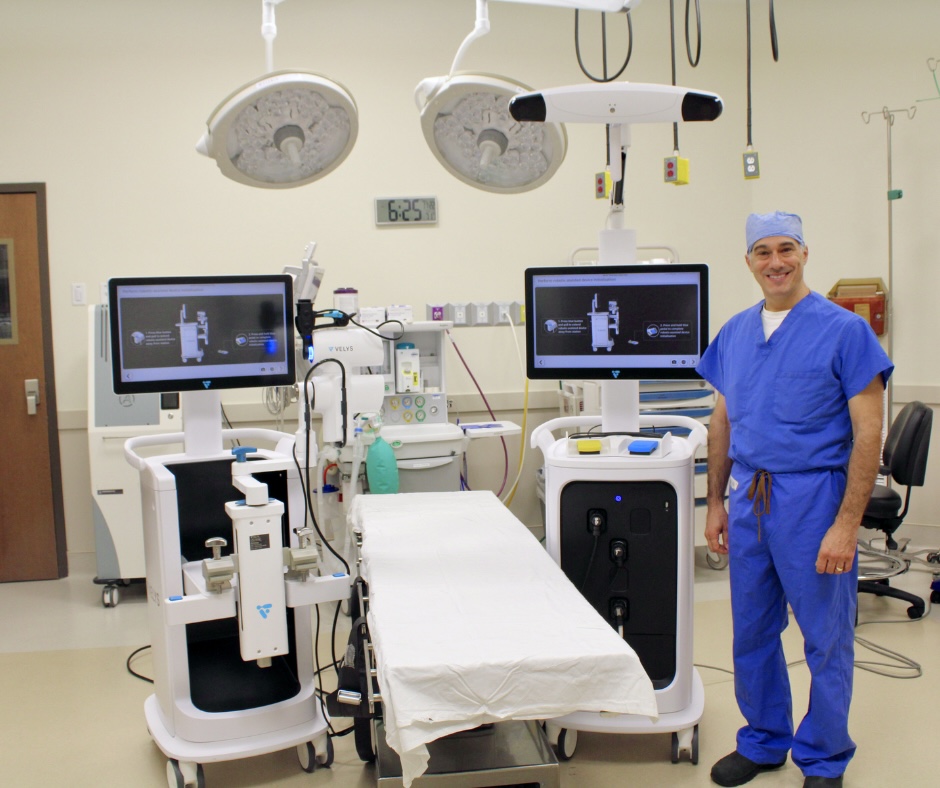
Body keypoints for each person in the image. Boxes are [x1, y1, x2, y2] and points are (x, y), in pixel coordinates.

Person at [697, 212, 893, 788]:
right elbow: (722, 421)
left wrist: (846, 524)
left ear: (805, 253)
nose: (775, 261)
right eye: (762, 251)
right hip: (749, 497)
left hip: (815, 498)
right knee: (751, 631)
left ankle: (824, 757)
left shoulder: (844, 331)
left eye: (786, 249)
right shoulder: (735, 332)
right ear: (749, 261)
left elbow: (869, 433)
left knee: (825, 638)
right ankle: (762, 741)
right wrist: (713, 502)